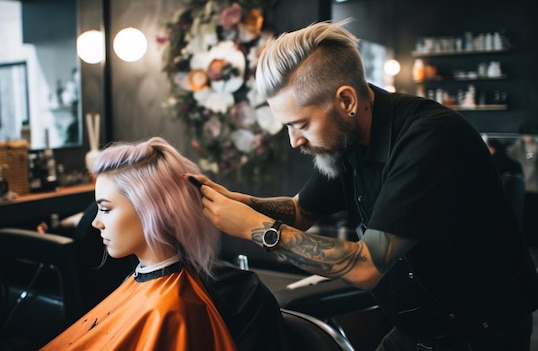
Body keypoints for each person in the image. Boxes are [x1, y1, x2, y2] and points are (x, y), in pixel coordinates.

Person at [189, 20, 538, 350]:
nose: (294, 141)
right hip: (416, 327)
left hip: (480, 333)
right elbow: (299, 211)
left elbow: (365, 265)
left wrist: (257, 228)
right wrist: (233, 201)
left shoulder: (430, 140)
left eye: (301, 124)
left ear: (346, 101)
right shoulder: (347, 139)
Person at [41, 137, 237, 351]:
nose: (96, 222)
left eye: (105, 209)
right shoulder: (150, 286)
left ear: (151, 210)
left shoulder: (169, 310)